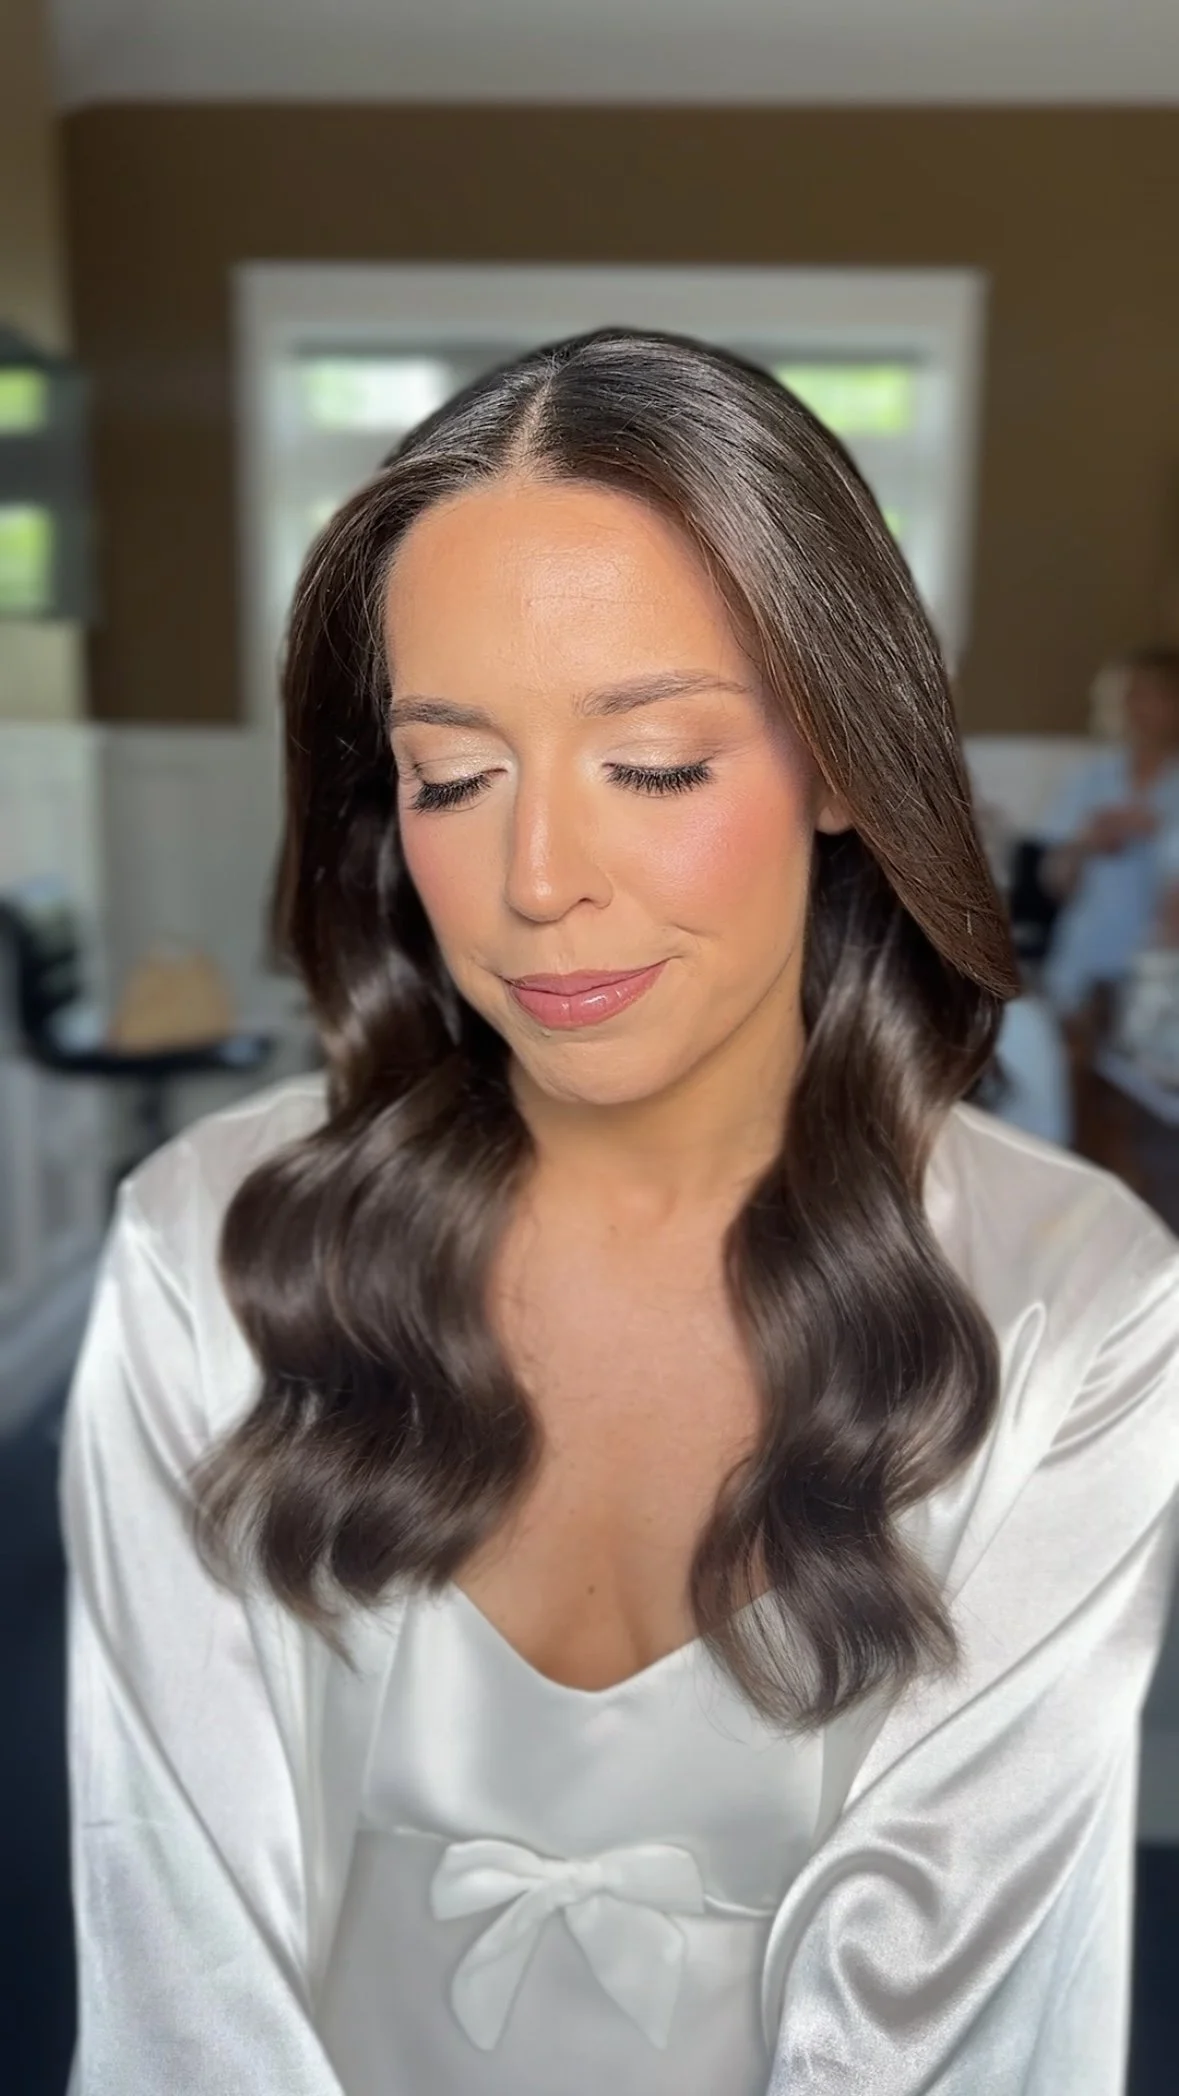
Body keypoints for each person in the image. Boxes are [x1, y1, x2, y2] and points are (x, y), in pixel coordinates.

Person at [60, 330, 1179, 2096]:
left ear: (837, 765)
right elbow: (179, 1966)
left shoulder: (1066, 1301)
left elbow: (951, 2012)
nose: (533, 884)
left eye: (650, 763)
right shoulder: (211, 1246)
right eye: (450, 773)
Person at [1039, 646, 1179, 1019]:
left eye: (1157, 695)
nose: (1142, 708)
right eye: (1133, 694)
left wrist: (1161, 830)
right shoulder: (1090, 779)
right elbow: (1055, 884)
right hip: (1084, 960)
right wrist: (1084, 845)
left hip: (1160, 975)